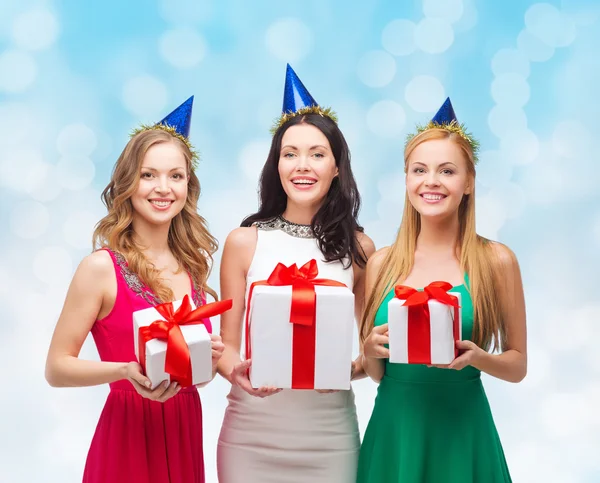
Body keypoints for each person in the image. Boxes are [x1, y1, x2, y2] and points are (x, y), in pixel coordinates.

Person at [45, 97, 224, 483]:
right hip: (126, 435)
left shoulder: (193, 266)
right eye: (148, 175)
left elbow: (192, 377)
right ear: (128, 183)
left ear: (188, 186)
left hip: (183, 428)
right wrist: (125, 372)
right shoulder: (100, 269)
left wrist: (205, 361)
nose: (163, 188)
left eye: (176, 176)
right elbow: (56, 368)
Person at [216, 65, 375, 483]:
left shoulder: (360, 249)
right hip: (251, 433)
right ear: (277, 165)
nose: (302, 165)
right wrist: (237, 371)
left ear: (338, 167)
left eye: (317, 154)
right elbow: (227, 347)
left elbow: (370, 353)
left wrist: (348, 371)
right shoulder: (244, 242)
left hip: (329, 435)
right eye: (290, 153)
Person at [356, 98, 527, 483]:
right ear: (406, 180)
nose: (430, 181)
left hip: (463, 430)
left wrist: (477, 357)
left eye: (446, 170)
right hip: (395, 431)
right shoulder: (382, 263)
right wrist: (368, 351)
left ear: (468, 183)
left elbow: (518, 366)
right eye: (419, 170)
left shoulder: (496, 261)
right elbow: (378, 374)